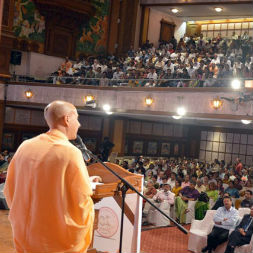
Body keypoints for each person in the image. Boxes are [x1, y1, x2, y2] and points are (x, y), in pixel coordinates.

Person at [4, 100, 94, 253]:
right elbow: (81, 198)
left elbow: (10, 189)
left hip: (26, 232)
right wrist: (88, 186)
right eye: (77, 118)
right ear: (67, 119)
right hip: (53, 238)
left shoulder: (25, 146)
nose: (79, 124)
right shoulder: (70, 152)